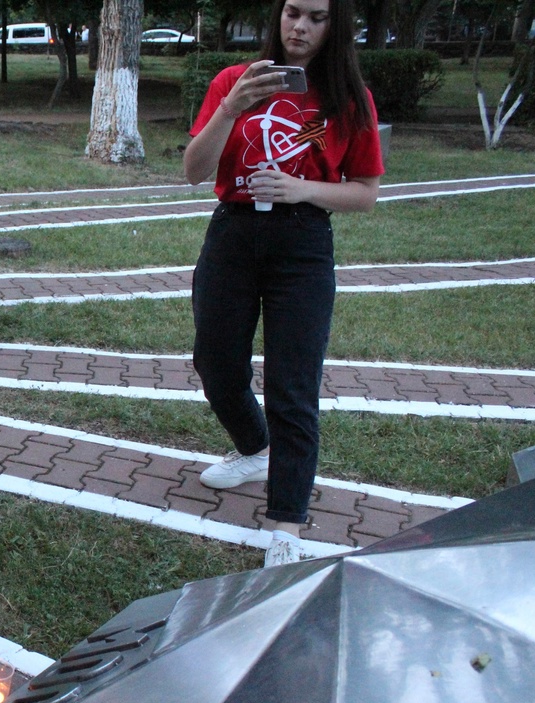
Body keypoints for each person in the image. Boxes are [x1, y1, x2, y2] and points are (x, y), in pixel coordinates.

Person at [183, 0, 382, 567]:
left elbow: (365, 191)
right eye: (293, 12)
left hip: (303, 242)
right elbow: (194, 170)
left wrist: (304, 190)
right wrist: (232, 107)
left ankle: (286, 524)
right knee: (216, 364)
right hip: (234, 235)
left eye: (317, 17)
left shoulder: (347, 98)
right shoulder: (233, 81)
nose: (300, 26)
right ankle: (254, 448)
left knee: (294, 384)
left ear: (334, 26)